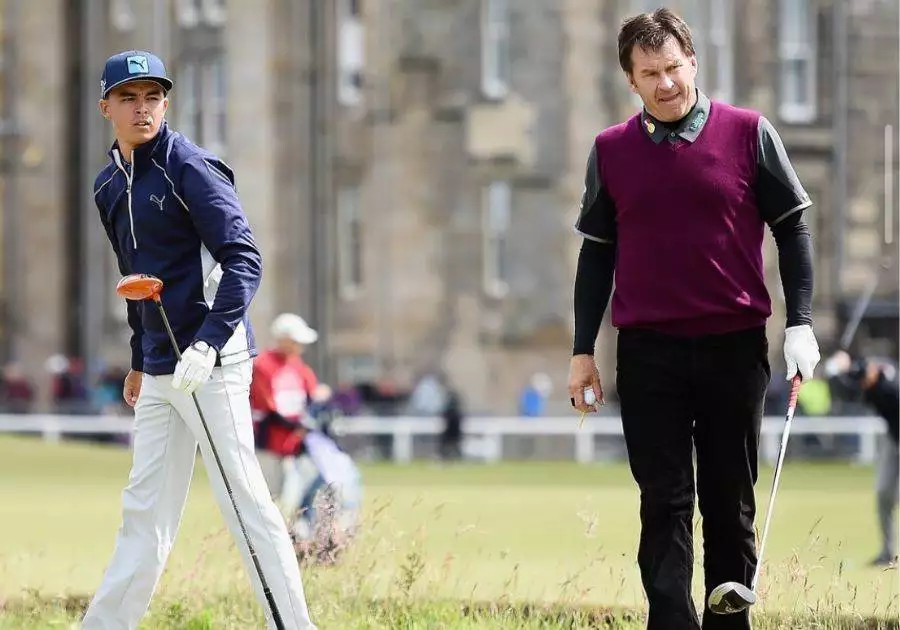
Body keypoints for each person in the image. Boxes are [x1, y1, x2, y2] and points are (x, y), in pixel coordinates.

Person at [566, 10, 821, 630]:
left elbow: (793, 229)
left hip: (733, 346)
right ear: (631, 80)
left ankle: (729, 623)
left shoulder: (749, 133)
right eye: (649, 73)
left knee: (730, 498)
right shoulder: (611, 150)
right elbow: (596, 256)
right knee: (664, 500)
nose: (666, 84)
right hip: (648, 350)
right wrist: (581, 350)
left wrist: (801, 323)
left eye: (674, 68)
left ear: (694, 64)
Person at [82, 50, 315, 629]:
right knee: (144, 514)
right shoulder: (109, 184)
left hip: (213, 361)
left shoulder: (191, 167)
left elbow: (244, 260)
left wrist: (209, 343)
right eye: (130, 97)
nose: (143, 108)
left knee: (244, 502)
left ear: (166, 102)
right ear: (105, 106)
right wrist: (139, 360)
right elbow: (138, 279)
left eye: (153, 97)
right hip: (161, 367)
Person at [824, 349, 899, 566]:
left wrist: (840, 370)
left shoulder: (889, 384)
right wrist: (834, 371)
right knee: (884, 493)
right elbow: (846, 392)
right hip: (894, 438)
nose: (863, 383)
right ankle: (887, 552)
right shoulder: (871, 384)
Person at [250, 313, 320, 515]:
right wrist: (297, 425)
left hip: (293, 443)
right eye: (297, 341)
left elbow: (313, 392)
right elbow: (267, 406)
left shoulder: (296, 364)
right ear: (284, 339)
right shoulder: (263, 365)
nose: (301, 347)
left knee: (294, 496)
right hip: (269, 442)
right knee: (268, 497)